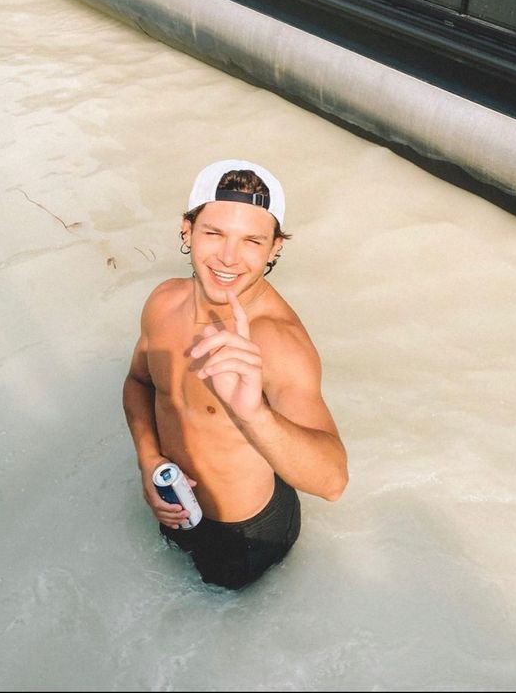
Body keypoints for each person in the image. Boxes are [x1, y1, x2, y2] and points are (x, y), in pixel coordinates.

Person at [122, 159, 348, 590]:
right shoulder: (163, 302)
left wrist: (253, 414)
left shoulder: (276, 341)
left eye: (252, 240)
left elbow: (333, 481)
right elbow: (139, 384)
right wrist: (149, 461)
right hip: (171, 501)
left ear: (274, 248)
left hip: (245, 533)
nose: (229, 256)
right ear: (187, 230)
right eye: (214, 233)